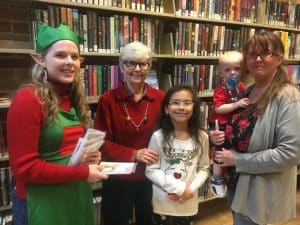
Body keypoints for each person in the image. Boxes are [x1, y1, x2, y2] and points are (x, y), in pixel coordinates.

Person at [7, 23, 108, 225]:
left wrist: (87, 156)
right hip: (42, 202)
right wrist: (83, 172)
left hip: (74, 193)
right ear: (40, 59)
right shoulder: (28, 99)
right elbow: (24, 169)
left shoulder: (73, 98)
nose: (70, 62)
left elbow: (66, 149)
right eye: (60, 55)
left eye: (75, 56)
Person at [210, 30, 300, 225]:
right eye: (252, 54)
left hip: (260, 195)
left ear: (279, 58)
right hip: (238, 186)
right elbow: (238, 129)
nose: (257, 59)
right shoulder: (248, 91)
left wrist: (237, 159)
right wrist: (218, 136)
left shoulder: (287, 96)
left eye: (265, 53)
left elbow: (291, 153)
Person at [94, 41, 164, 225]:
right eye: (130, 63)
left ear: (149, 67)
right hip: (119, 175)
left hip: (152, 174)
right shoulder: (108, 100)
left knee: (149, 220)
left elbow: (170, 134)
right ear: (121, 66)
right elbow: (101, 142)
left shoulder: (160, 98)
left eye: (143, 64)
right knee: (115, 220)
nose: (137, 69)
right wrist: (134, 154)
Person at [145, 84, 210, 225]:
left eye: (187, 103)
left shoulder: (202, 136)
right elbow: (151, 170)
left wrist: (188, 191)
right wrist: (179, 189)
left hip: (188, 202)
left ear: (194, 107)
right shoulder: (158, 137)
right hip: (163, 202)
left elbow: (204, 168)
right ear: (166, 109)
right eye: (175, 102)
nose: (181, 107)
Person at [209, 51, 250, 198]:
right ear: (221, 73)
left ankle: (230, 176)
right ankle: (216, 178)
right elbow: (219, 108)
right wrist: (237, 104)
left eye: (237, 69)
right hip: (221, 124)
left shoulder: (241, 86)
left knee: (232, 151)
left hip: (234, 124)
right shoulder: (221, 89)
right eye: (227, 70)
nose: (233, 73)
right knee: (220, 149)